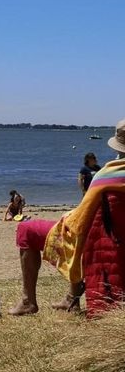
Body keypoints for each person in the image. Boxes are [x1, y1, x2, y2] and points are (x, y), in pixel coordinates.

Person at [9, 118, 125, 316]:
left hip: (98, 240)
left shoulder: (107, 176)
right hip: (116, 240)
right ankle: (71, 298)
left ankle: (28, 301)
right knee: (80, 228)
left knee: (28, 229)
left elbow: (81, 218)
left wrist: (69, 216)